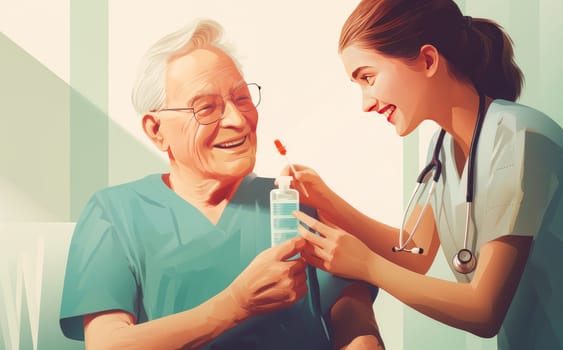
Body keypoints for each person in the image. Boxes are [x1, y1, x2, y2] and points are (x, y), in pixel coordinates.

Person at [287, 0, 563, 349]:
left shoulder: (519, 138)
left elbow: (484, 311)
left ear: (428, 60)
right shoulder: (443, 147)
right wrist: (324, 198)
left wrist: (366, 266)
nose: (366, 102)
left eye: (368, 78)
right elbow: (414, 252)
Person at [59, 18, 384, 350]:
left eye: (242, 98)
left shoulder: (300, 201)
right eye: (206, 108)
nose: (237, 120)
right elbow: (107, 344)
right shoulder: (114, 215)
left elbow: (356, 321)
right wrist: (233, 306)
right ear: (157, 130)